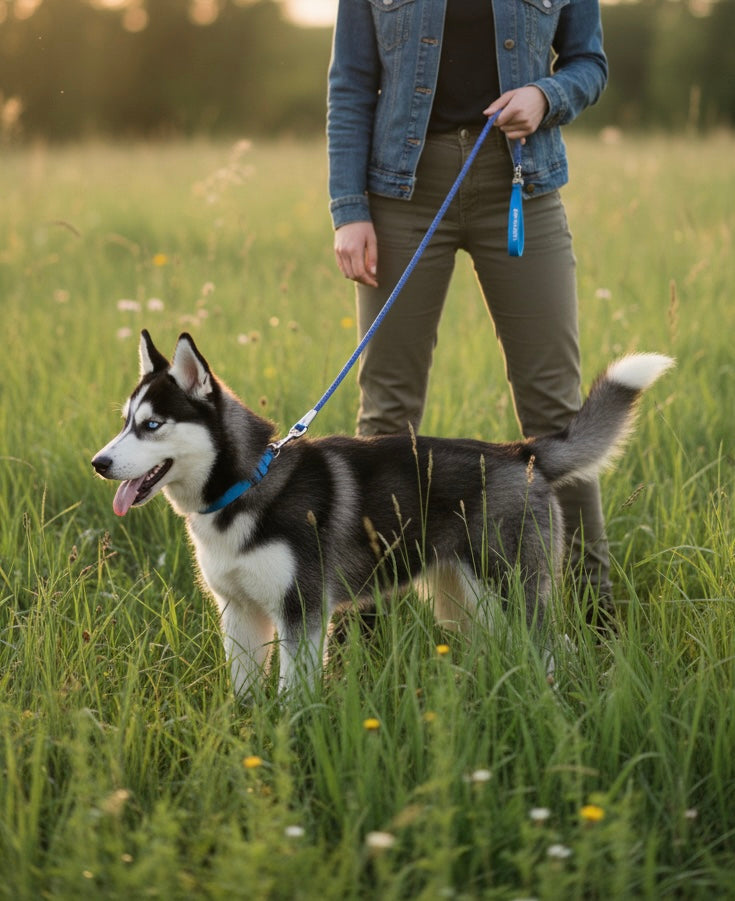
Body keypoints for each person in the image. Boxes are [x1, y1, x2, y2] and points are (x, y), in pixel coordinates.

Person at [326, 0, 612, 617]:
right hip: (399, 192)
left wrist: (545, 92)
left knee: (556, 407)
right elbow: (350, 81)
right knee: (386, 413)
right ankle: (367, 628)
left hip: (520, 187)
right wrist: (349, 209)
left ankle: (593, 607)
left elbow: (589, 62)